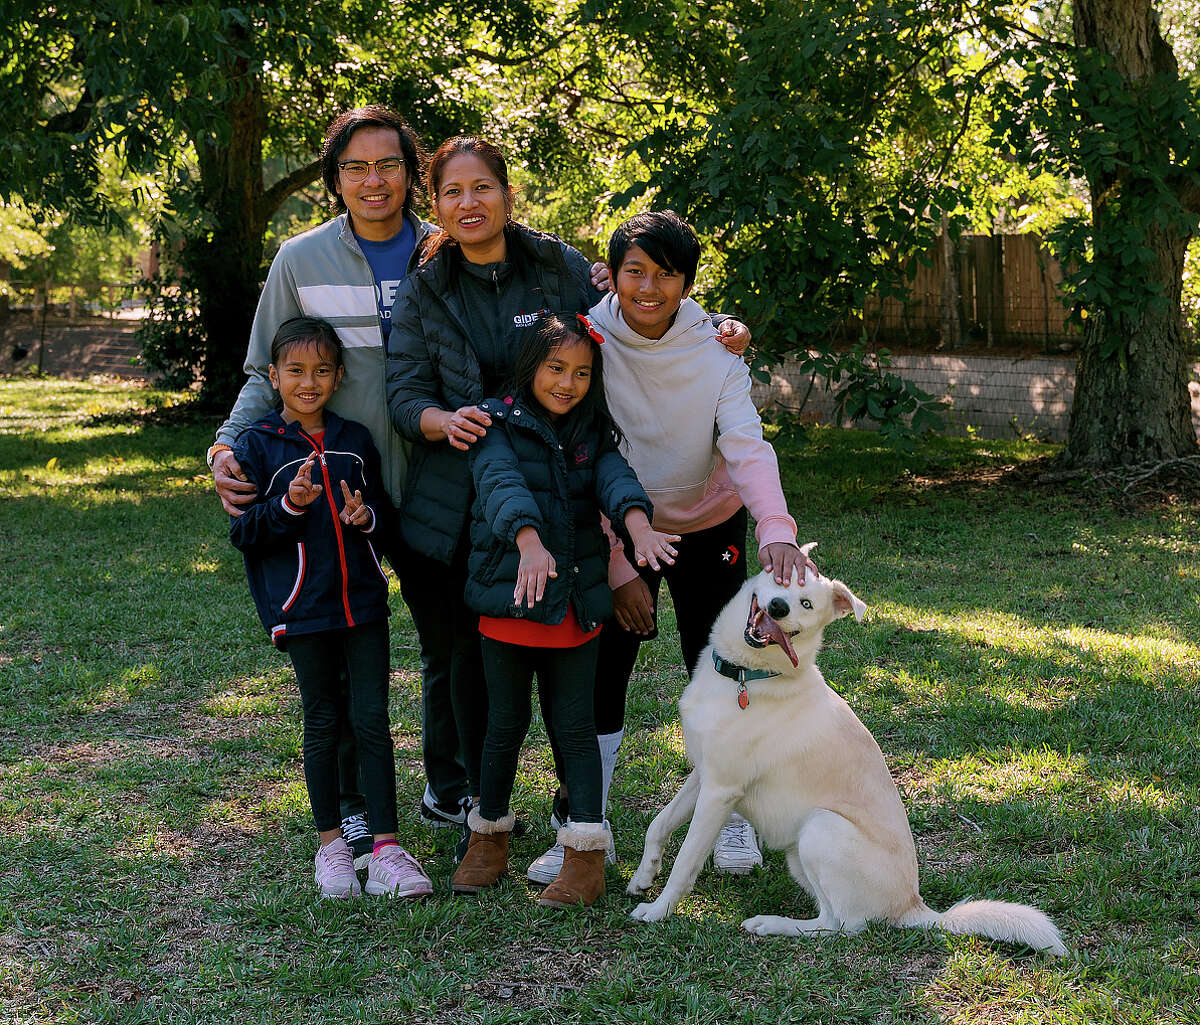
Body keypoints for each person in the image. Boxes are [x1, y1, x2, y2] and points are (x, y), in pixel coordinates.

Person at [386, 139, 754, 851]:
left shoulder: (555, 264)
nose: (469, 203)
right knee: (472, 661)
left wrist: (720, 326)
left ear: (506, 193)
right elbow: (405, 392)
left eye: (482, 187)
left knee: (579, 663)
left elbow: (641, 307)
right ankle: (476, 806)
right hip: (469, 487)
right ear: (434, 205)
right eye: (453, 191)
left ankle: (581, 810)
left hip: (569, 484)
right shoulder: (426, 285)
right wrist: (442, 418)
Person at [206, 106, 467, 862]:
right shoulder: (301, 259)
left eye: (388, 164)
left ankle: (447, 785)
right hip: (335, 496)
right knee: (341, 641)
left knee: (449, 641)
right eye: (355, 167)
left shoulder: (443, 247)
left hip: (434, 486)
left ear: (413, 173)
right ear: (335, 180)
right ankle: (352, 808)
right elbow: (267, 367)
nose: (373, 179)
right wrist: (227, 443)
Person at [526, 210, 816, 884]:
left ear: (687, 281)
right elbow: (584, 451)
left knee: (722, 665)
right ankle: (583, 822)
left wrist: (776, 527)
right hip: (614, 524)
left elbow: (745, 441)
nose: (648, 287)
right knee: (599, 669)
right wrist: (624, 563)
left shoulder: (718, 348)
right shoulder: (589, 339)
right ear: (614, 274)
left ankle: (734, 809)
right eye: (635, 271)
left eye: (665, 274)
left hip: (707, 522)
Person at [449, 313, 678, 907]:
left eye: (581, 372)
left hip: (575, 602)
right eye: (556, 369)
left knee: (574, 728)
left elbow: (614, 477)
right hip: (511, 596)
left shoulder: (591, 431)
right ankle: (488, 837)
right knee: (504, 724)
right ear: (530, 369)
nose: (568, 383)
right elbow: (500, 484)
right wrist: (528, 540)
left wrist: (636, 526)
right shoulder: (494, 424)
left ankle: (585, 856)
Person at [228, 316, 432, 899]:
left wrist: (364, 518)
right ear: (274, 376)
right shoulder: (257, 445)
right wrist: (290, 508)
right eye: (295, 371)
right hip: (304, 611)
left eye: (321, 371)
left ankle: (388, 849)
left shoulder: (355, 440)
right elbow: (246, 533)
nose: (308, 382)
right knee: (322, 721)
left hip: (363, 607)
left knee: (372, 723)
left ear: (339, 377)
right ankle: (332, 848)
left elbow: (384, 517)